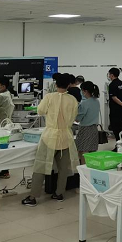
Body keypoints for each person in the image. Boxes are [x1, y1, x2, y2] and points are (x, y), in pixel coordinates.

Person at [22, 74, 79, 206]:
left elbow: (40, 111)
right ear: (68, 85)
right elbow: (74, 116)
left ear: (55, 84)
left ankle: (33, 196)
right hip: (66, 136)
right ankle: (59, 193)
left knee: (41, 166)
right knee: (63, 169)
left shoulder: (49, 97)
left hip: (50, 137)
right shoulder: (73, 100)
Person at [75, 81, 101, 163]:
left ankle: (83, 169)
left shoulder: (84, 103)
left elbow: (77, 119)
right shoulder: (96, 101)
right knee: (92, 151)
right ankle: (92, 168)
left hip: (85, 129)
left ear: (85, 91)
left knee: (83, 151)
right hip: (94, 129)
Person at [108, 68, 122, 146]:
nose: (108, 76)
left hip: (115, 109)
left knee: (116, 128)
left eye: (109, 74)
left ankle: (119, 145)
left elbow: (114, 97)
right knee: (121, 126)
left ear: (112, 75)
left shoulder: (112, 85)